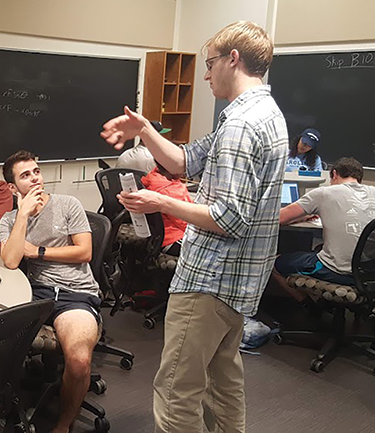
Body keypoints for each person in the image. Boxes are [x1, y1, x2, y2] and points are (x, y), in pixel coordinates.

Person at [101, 21, 287, 433]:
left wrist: (161, 201)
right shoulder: (260, 114)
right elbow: (186, 161)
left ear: (232, 59)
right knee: (223, 381)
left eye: (210, 64)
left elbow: (229, 218)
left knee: (177, 390)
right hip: (237, 281)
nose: (205, 75)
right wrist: (146, 130)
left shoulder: (240, 125)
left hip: (210, 279)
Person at [0, 150, 99, 433]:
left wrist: (39, 251)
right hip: (34, 295)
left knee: (79, 361)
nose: (34, 179)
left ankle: (63, 425)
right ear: (12, 187)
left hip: (74, 294)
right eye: (25, 176)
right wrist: (23, 215)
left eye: (36, 172)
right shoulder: (8, 220)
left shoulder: (68, 204)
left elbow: (85, 252)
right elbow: (11, 260)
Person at [273, 157, 375, 295]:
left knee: (273, 262)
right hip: (374, 273)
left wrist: (301, 216)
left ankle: (307, 306)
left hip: (338, 271)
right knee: (318, 249)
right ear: (359, 177)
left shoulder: (323, 193)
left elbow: (278, 218)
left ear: (334, 174)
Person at [140, 162, 192, 251]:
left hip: (159, 239)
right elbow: (186, 223)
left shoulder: (153, 178)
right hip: (173, 239)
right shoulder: (171, 190)